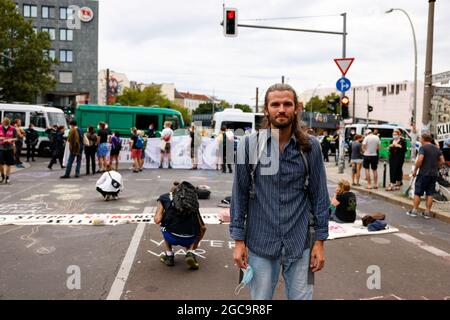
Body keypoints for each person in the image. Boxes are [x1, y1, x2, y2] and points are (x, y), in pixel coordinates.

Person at [230, 83, 329, 300]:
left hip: (301, 243)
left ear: (296, 108)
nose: (281, 109)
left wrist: (320, 243)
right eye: (275, 104)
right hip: (260, 244)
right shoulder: (248, 145)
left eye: (287, 104)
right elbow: (239, 195)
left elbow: (320, 196)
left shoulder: (311, 147)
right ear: (266, 109)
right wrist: (238, 241)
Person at [154, 181, 203, 270]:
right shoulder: (192, 201)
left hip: (171, 236)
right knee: (193, 228)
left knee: (164, 226)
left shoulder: (164, 197)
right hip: (190, 238)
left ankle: (169, 256)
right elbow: (202, 226)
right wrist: (196, 241)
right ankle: (190, 252)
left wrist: (159, 213)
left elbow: (157, 220)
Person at [407, 132, 445, 219]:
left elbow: (420, 159)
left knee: (418, 192)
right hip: (433, 174)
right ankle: (427, 212)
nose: (420, 140)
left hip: (423, 173)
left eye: (420, 138)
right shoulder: (436, 148)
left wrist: (416, 170)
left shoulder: (423, 147)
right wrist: (437, 167)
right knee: (430, 193)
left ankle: (414, 210)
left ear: (423, 139)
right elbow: (442, 161)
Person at [0, 118, 17, 184]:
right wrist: (1, 138)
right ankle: (2, 176)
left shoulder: (13, 128)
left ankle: (7, 178)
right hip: (1, 148)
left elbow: (16, 138)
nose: (4, 124)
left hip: (9, 148)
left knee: (8, 164)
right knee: (0, 164)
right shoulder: (0, 127)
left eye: (6, 123)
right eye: (3, 123)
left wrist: (11, 140)